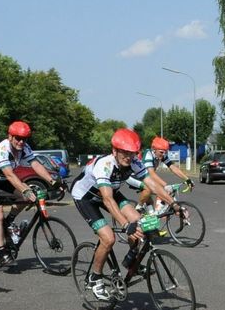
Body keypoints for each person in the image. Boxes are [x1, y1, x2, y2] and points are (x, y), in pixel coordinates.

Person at [72, 128, 177, 301]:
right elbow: (107, 199)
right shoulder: (104, 165)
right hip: (86, 197)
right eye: (124, 153)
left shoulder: (134, 162)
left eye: (132, 153)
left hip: (110, 192)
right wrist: (124, 224)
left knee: (139, 222)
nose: (128, 157)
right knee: (108, 238)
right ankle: (95, 278)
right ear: (114, 151)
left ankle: (130, 261)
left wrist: (174, 203)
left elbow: (153, 185)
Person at [0, 121, 61, 267]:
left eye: (24, 139)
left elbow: (35, 164)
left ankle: (9, 222)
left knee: (26, 197)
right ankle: (2, 252)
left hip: (2, 177)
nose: (21, 142)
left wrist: (52, 181)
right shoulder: (2, 149)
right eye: (18, 138)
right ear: (10, 136)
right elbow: (9, 175)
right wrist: (25, 189)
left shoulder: (24, 147)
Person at [132, 136, 194, 213]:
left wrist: (187, 179)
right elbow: (151, 174)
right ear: (154, 150)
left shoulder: (161, 155)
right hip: (135, 177)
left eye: (165, 152)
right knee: (149, 189)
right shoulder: (148, 154)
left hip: (146, 178)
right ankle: (138, 208)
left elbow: (173, 167)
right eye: (161, 152)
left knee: (151, 205)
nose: (163, 154)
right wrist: (165, 186)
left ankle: (150, 216)